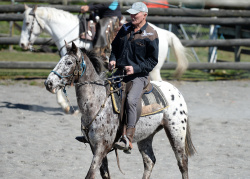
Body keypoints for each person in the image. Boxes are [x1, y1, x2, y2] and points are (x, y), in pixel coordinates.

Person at [109, 2, 159, 153]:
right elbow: (115, 48)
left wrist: (135, 68)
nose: (132, 16)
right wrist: (112, 59)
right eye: (131, 13)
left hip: (139, 76)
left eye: (135, 14)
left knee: (131, 100)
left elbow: (152, 61)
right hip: (120, 72)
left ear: (144, 15)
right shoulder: (124, 28)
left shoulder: (151, 33)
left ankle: (128, 137)